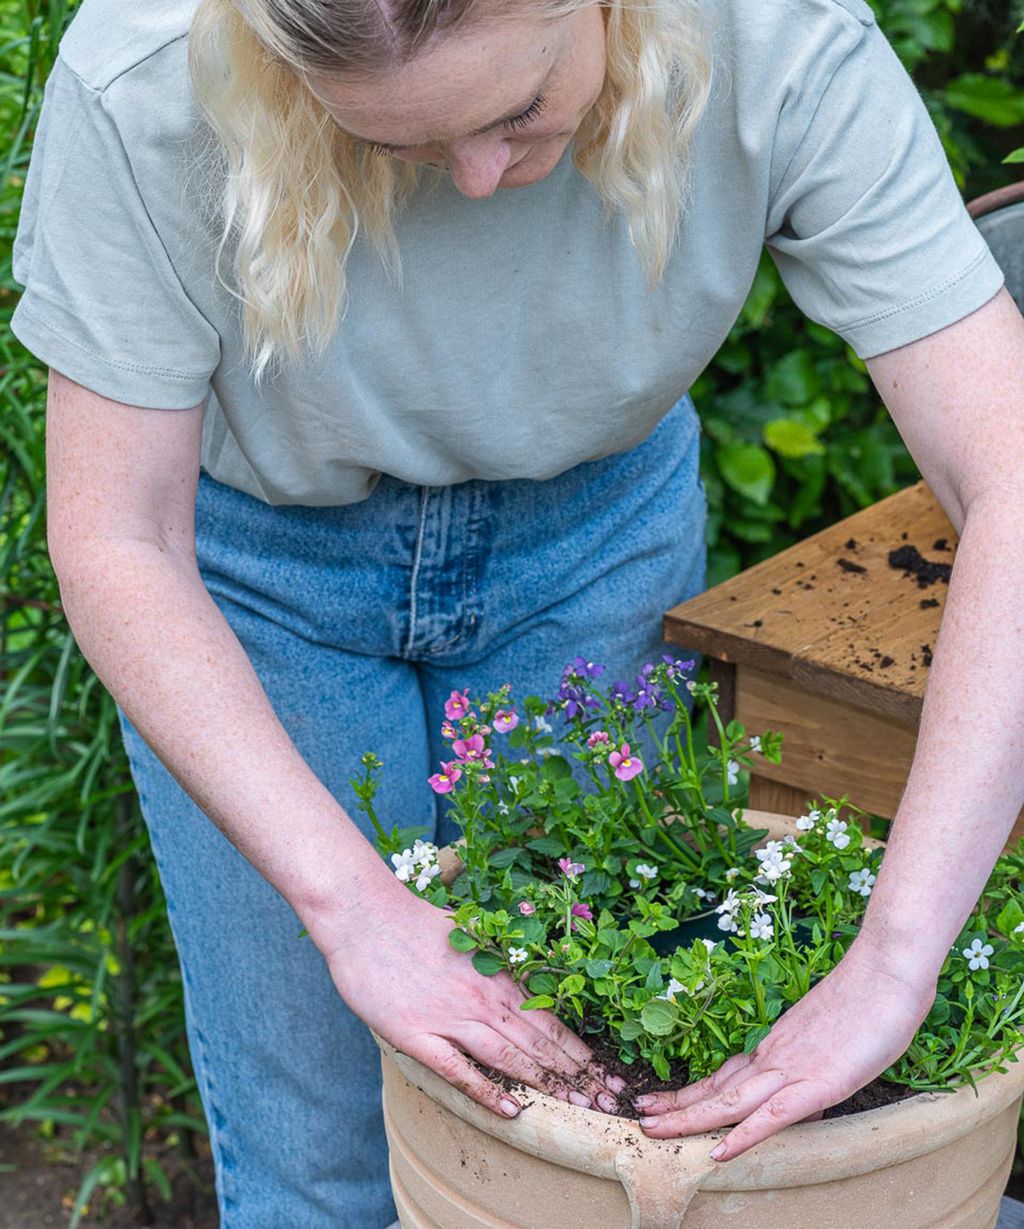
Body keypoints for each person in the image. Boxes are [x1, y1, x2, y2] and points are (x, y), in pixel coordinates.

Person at [11, 0, 1024, 1223]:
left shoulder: (776, 32)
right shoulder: (148, 72)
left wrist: (898, 957)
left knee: (593, 1110)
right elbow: (119, 539)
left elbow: (1011, 471)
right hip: (254, 585)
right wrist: (356, 910)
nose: (480, 182)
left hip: (594, 539)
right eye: (394, 145)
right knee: (321, 1154)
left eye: (517, 113)